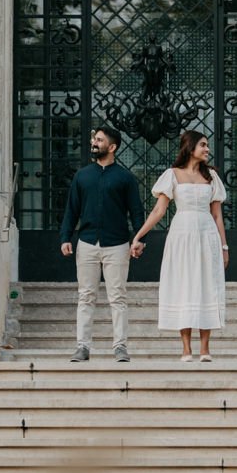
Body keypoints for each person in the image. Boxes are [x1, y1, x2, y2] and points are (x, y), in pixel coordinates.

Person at [130, 130, 228, 363]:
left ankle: (205, 348)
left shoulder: (212, 176)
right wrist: (138, 236)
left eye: (207, 145)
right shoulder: (171, 175)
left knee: (207, 285)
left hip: (207, 234)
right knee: (183, 284)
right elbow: (158, 211)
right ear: (190, 147)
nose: (207, 149)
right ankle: (186, 348)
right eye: (203, 145)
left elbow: (217, 215)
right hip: (181, 234)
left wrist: (224, 247)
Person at [60, 124, 144, 364]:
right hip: (86, 244)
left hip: (117, 245)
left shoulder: (125, 178)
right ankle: (82, 347)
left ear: (112, 146)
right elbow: (72, 209)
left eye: (99, 140)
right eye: (94, 139)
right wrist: (65, 237)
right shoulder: (82, 176)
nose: (94, 143)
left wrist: (140, 239)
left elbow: (136, 212)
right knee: (86, 296)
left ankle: (120, 347)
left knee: (117, 297)